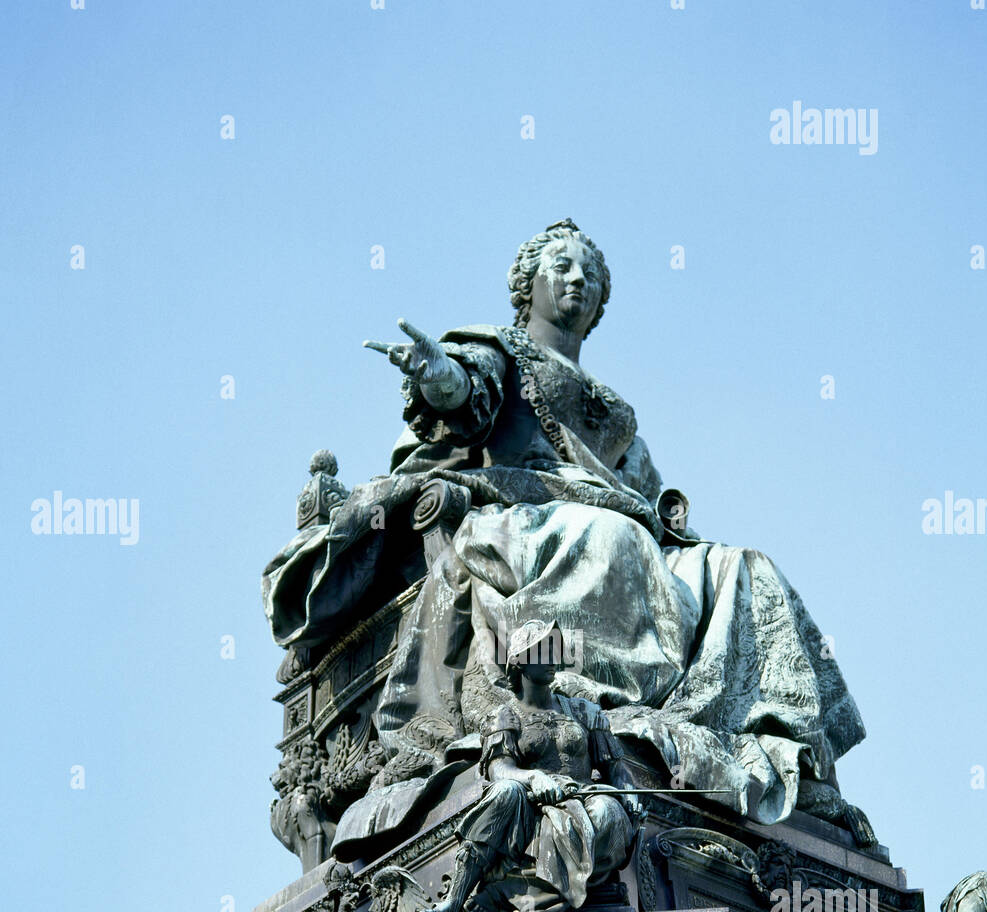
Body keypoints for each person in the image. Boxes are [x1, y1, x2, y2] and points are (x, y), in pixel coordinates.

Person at [265, 220, 870, 840]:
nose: (578, 279)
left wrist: (674, 526)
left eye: (591, 275)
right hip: (518, 508)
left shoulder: (613, 407)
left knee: (746, 567)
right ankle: (586, 704)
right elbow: (464, 394)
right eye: (562, 266)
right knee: (616, 539)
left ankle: (788, 753)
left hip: (618, 521)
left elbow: (643, 496)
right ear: (527, 285)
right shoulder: (501, 352)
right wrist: (436, 373)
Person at [420, 621, 640, 912]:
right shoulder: (505, 716)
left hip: (584, 794)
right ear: (521, 662)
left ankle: (508, 891)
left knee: (609, 812)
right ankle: (454, 901)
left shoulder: (585, 712)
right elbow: (500, 770)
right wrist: (534, 776)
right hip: (531, 801)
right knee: (505, 791)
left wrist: (629, 793)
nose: (552, 660)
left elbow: (616, 768)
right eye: (542, 653)